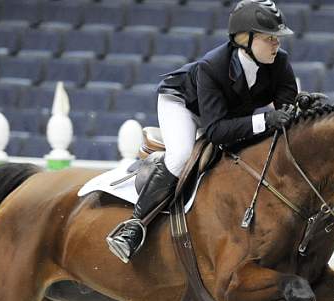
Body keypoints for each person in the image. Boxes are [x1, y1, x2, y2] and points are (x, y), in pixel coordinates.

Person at [106, 0, 298, 264]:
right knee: (182, 155)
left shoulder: (279, 62)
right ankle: (133, 227)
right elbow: (216, 130)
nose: (276, 44)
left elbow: (286, 108)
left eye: (277, 38)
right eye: (270, 38)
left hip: (225, 113)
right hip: (184, 104)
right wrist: (265, 119)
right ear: (245, 39)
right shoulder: (213, 66)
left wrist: (303, 107)